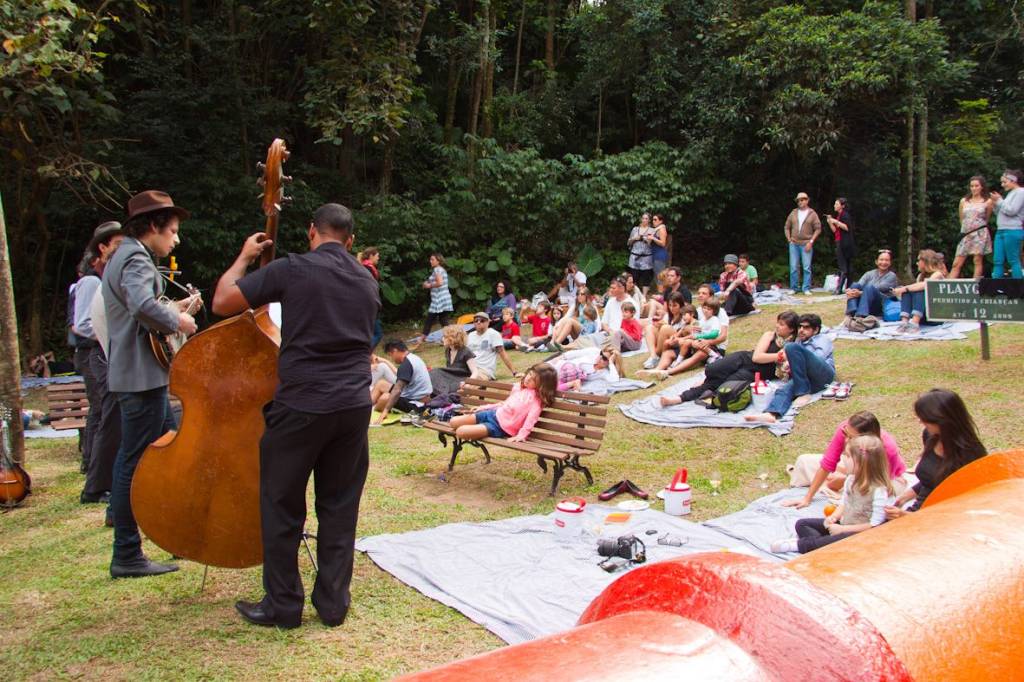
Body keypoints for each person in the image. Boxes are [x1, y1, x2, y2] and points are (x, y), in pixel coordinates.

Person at [212, 202, 378, 629]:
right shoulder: (366, 279)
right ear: (351, 241)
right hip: (354, 406)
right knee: (340, 507)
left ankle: (284, 606)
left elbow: (223, 301)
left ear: (311, 233)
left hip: (303, 403)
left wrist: (247, 257)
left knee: (281, 504)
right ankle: (333, 605)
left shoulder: (293, 269)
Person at [103, 190, 197, 579]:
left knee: (173, 448)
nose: (175, 240)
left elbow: (139, 309)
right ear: (154, 227)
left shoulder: (121, 256)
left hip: (141, 375)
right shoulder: (137, 257)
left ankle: (177, 532)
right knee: (135, 460)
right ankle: (126, 552)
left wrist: (172, 311)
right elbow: (143, 305)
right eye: (172, 231)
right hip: (140, 378)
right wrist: (180, 321)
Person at [771, 435, 895, 554]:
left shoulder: (879, 490)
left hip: (862, 535)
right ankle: (823, 546)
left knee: (838, 540)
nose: (843, 459)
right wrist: (833, 518)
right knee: (802, 524)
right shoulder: (851, 479)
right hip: (845, 524)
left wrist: (842, 530)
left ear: (860, 462)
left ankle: (801, 545)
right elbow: (844, 503)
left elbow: (875, 525)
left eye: (847, 456)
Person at [73, 221, 125, 504]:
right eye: (116, 245)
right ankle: (96, 484)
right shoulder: (92, 281)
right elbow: (81, 325)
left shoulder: (108, 280)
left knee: (105, 415)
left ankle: (97, 480)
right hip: (97, 353)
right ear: (102, 248)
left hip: (106, 352)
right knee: (107, 416)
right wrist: (115, 330)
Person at [659, 311, 798, 407]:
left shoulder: (793, 345)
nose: (777, 326)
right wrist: (779, 356)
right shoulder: (770, 335)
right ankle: (701, 383)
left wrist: (783, 357)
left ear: (791, 329)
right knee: (712, 370)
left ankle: (678, 398)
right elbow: (757, 356)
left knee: (722, 385)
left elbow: (782, 367)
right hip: (745, 358)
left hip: (759, 372)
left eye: (782, 325)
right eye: (778, 323)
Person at [885, 389, 987, 519]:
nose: (920, 422)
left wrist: (906, 516)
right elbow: (930, 479)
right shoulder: (931, 436)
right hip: (916, 511)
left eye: (924, 418)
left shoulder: (970, 454)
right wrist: (906, 496)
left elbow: (960, 505)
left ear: (942, 420)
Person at [783, 411, 908, 508]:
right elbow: (828, 463)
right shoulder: (844, 429)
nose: (846, 439)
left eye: (851, 437)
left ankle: (834, 487)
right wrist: (807, 498)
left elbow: (880, 485)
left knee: (862, 499)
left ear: (866, 438)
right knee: (804, 461)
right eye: (845, 433)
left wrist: (847, 481)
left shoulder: (886, 449)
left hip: (880, 480)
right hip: (853, 467)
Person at [745, 313, 833, 424]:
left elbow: (818, 359)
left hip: (823, 375)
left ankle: (802, 393)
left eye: (806, 328)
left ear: (815, 330)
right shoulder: (799, 341)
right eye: (800, 327)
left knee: (791, 347)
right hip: (807, 379)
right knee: (784, 389)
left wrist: (795, 361)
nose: (801, 330)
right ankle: (771, 414)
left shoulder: (822, 339)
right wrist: (789, 365)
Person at [448, 363, 557, 443]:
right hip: (492, 414)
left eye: (534, 379)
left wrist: (521, 435)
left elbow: (530, 421)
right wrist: (484, 407)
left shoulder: (536, 402)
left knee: (461, 432)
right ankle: (476, 425)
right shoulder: (519, 388)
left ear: (542, 385)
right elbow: (505, 404)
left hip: (499, 427)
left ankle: (478, 427)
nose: (528, 379)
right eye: (530, 374)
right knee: (453, 422)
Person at [372, 340, 433, 421]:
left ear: (395, 351)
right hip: (417, 396)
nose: (392, 358)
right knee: (381, 384)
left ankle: (372, 410)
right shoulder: (413, 357)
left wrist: (385, 411)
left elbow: (397, 390)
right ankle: (366, 408)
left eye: (390, 355)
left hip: (417, 403)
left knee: (385, 398)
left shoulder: (406, 365)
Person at [841, 249, 900, 332]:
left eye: (886, 260)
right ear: (876, 261)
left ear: (890, 263)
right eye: (881, 260)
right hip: (866, 303)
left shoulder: (891, 276)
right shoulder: (869, 274)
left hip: (881, 305)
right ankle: (850, 314)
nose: (883, 262)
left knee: (869, 287)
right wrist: (850, 291)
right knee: (855, 285)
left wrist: (860, 293)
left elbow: (877, 288)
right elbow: (860, 285)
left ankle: (861, 317)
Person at [949, 176, 993, 279]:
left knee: (977, 260)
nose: (974, 188)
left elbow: (987, 218)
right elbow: (961, 218)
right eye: (972, 186)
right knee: (957, 262)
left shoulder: (987, 201)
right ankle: (949, 283)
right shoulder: (964, 201)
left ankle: (975, 285)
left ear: (982, 187)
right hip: (966, 233)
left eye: (976, 186)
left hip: (979, 232)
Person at [893, 249, 945, 334]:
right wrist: (904, 290)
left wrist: (904, 288)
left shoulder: (937, 274)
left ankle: (914, 324)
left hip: (936, 315)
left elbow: (924, 285)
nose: (917, 263)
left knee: (918, 290)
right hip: (923, 316)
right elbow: (913, 288)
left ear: (925, 261)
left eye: (918, 260)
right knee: (907, 291)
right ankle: (904, 322)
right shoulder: (920, 275)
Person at [784, 192, 822, 294]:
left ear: (807, 200)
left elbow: (818, 229)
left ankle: (806, 288)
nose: (800, 202)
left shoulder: (812, 214)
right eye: (798, 200)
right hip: (794, 243)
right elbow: (786, 227)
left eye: (802, 199)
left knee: (806, 267)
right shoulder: (793, 213)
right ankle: (794, 288)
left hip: (806, 243)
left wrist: (811, 241)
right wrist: (788, 239)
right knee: (793, 267)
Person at [989, 169, 1024, 278]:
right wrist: (995, 205)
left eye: (1005, 182)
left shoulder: (1021, 192)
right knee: (997, 260)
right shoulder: (1010, 194)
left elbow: (1012, 210)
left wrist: (999, 200)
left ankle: (1018, 288)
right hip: (1001, 230)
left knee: (1013, 260)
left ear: (1014, 180)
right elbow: (1001, 212)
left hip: (1013, 230)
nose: (1002, 184)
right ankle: (996, 287)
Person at [428, 325, 478, 396]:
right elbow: (449, 371)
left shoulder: (466, 351)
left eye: (445, 337)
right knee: (433, 375)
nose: (442, 338)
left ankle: (443, 396)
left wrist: (467, 383)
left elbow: (475, 371)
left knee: (436, 371)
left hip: (461, 379)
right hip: (450, 379)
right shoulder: (448, 350)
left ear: (453, 338)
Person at [466, 312, 519, 380]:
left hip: (483, 370)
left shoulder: (493, 334)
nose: (478, 322)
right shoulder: (471, 335)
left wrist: (514, 372)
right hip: (469, 368)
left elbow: (502, 353)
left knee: (473, 382)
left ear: (488, 322)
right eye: (476, 321)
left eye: (482, 320)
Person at [419, 253, 453, 340]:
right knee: (443, 319)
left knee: (430, 318)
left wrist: (429, 285)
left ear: (438, 261)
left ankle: (423, 336)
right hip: (443, 297)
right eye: (430, 259)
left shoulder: (437, 270)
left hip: (439, 298)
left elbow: (440, 282)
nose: (430, 261)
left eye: (432, 259)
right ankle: (451, 336)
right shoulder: (440, 269)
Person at [826, 197, 855, 293]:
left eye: (836, 204)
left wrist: (835, 221)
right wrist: (830, 222)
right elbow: (835, 231)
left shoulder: (845, 215)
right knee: (846, 265)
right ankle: (848, 287)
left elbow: (847, 228)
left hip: (844, 243)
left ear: (842, 206)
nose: (834, 206)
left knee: (844, 266)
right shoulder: (839, 215)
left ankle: (839, 289)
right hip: (840, 241)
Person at [359, 247, 384, 350]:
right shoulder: (368, 269)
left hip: (364, 305)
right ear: (371, 256)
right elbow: (369, 289)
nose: (378, 258)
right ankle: (365, 353)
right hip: (369, 305)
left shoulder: (362, 267)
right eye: (377, 256)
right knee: (378, 334)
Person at [626, 213, 656, 295]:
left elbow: (651, 242)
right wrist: (634, 238)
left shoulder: (652, 230)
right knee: (634, 277)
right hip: (634, 257)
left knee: (646, 277)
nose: (644, 220)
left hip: (646, 258)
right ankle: (634, 294)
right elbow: (628, 242)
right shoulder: (635, 229)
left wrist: (643, 238)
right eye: (643, 218)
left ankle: (644, 296)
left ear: (649, 220)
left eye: (646, 218)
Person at [650, 214, 670, 280]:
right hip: (655, 255)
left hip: (659, 255)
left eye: (655, 220)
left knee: (660, 277)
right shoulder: (656, 229)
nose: (653, 221)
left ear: (661, 221)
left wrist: (653, 238)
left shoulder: (661, 229)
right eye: (653, 219)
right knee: (657, 276)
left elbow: (663, 243)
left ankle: (661, 290)